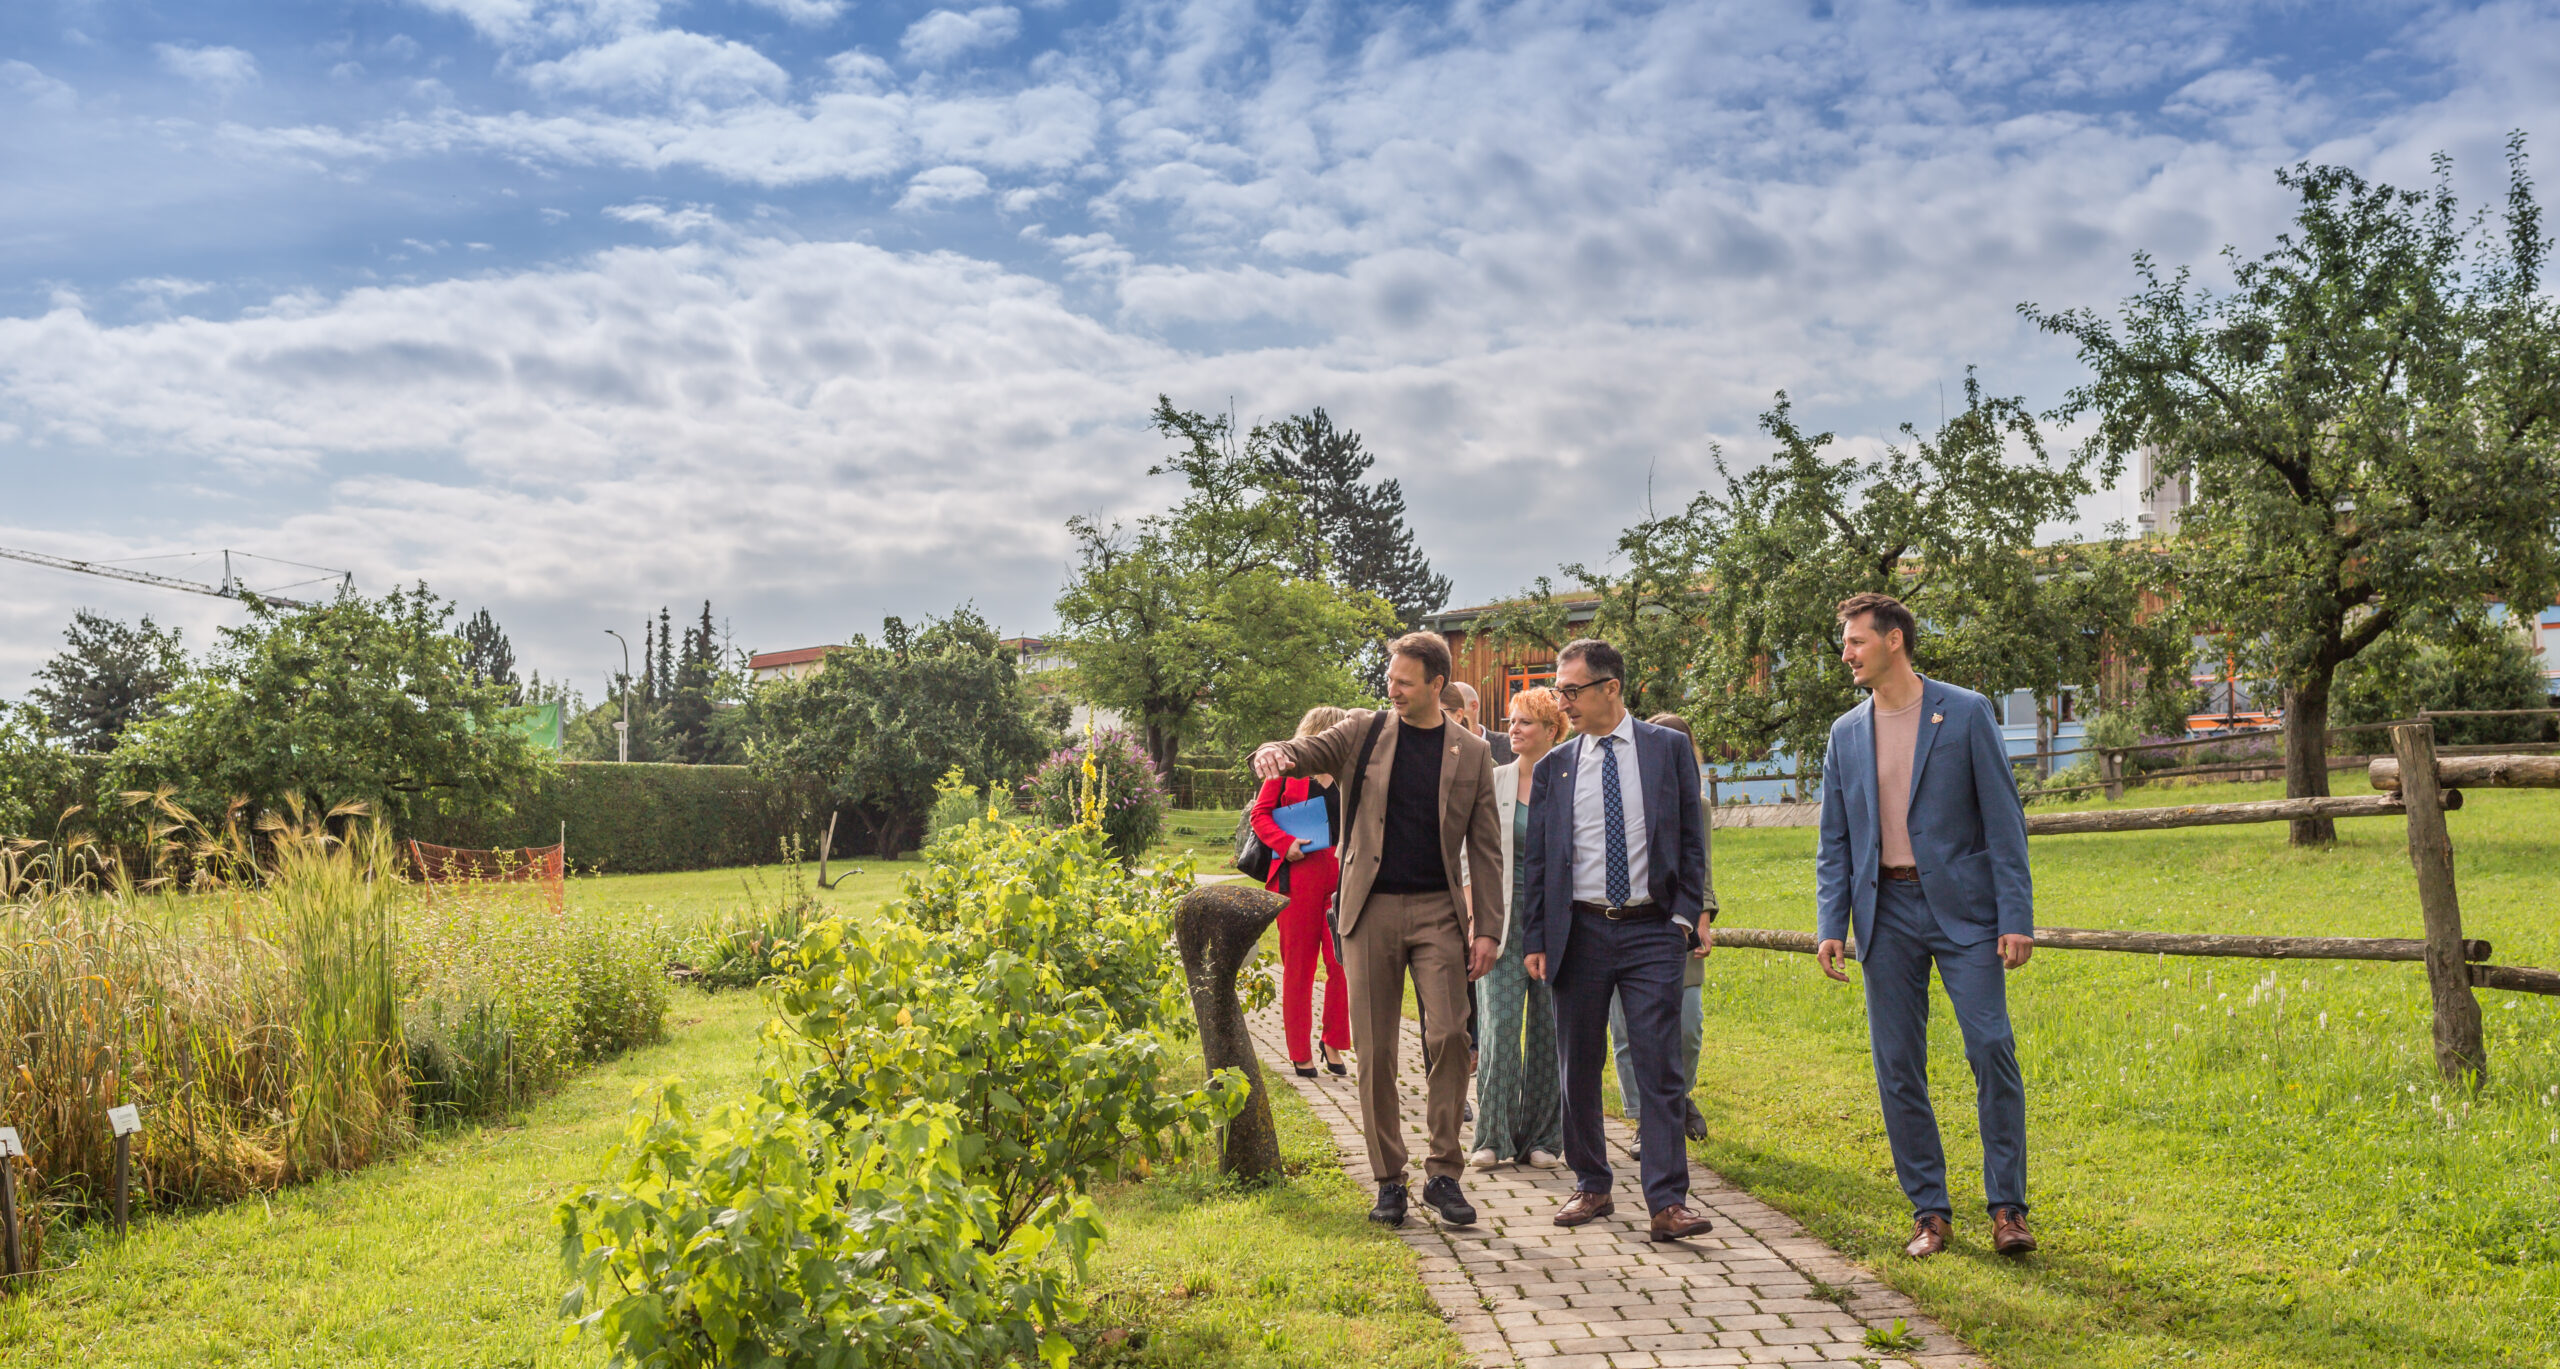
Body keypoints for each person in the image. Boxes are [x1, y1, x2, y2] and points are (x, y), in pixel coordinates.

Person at [1252, 631, 1503, 1230]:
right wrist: (1277, 751)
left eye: (1405, 681)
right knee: (1376, 1048)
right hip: (1369, 912)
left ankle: (1443, 1173)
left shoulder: (1471, 754)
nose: (1392, 688)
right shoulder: (1363, 731)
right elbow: (1306, 751)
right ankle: (1389, 1180)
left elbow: (1487, 849)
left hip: (1440, 913)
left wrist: (1488, 927)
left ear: (1437, 686)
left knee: (1447, 1036)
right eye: (1389, 678)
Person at [1814, 591, 2038, 1260]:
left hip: (1965, 914)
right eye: (1846, 641)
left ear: (1893, 641)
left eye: (1855, 641)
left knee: (1990, 1046)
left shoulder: (1965, 712)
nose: (1846, 653)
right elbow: (1835, 839)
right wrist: (1831, 923)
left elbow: (2004, 823)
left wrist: (2016, 915)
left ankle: (2008, 1208)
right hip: (1884, 915)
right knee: (1897, 1065)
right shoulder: (1845, 732)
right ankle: (1930, 1212)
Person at [1518, 638, 1715, 1242]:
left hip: (1652, 928)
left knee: (1659, 1063)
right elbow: (1542, 861)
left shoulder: (1668, 749)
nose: (1564, 702)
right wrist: (1536, 936)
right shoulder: (1555, 765)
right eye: (1560, 690)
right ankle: (1593, 1185)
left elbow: (1690, 834)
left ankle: (1667, 1201)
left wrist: (1686, 914)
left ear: (1611, 689)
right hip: (1577, 931)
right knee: (1578, 1063)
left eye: (1573, 690)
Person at [1469, 685, 1567, 1170]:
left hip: (1557, 922)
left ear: (1552, 729)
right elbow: (1472, 851)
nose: (1513, 729)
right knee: (1500, 1027)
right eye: (1510, 720)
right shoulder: (1494, 780)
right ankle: (1493, 1136)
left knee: (1550, 1029)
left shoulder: (1570, 780)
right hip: (1502, 919)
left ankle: (1544, 1140)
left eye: (1525, 721)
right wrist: (1473, 913)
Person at [1608, 712, 1715, 1150]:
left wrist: (1703, 915)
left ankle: (1678, 1096)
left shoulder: (1700, 804)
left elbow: (1701, 861)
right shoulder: (1622, 793)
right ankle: (1644, 1120)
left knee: (1687, 1023)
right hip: (1619, 923)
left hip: (1680, 923)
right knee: (1627, 1029)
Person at [1250, 705, 1352, 1079]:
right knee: (1299, 966)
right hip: (1298, 872)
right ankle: (1299, 1051)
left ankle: (1333, 1040)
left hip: (1342, 873)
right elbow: (1259, 815)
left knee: (1343, 962)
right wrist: (1286, 841)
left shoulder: (1348, 774)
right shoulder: (1285, 771)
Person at [1454, 680, 1515, 764]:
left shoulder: (1509, 744)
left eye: (1453, 708)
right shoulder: (1443, 748)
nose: (1445, 715)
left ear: (1474, 707)